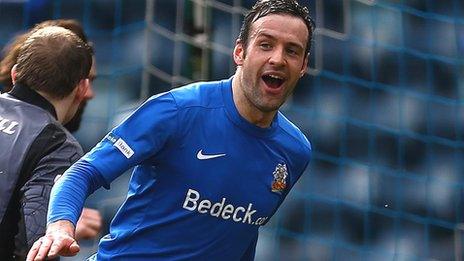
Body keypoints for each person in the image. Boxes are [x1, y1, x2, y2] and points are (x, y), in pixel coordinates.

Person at [28, 0, 314, 260]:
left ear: (303, 66)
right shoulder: (177, 111)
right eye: (266, 45)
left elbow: (240, 238)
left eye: (292, 50)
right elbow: (81, 173)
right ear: (240, 52)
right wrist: (60, 227)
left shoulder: (294, 152)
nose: (278, 58)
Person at [0, 19, 102, 243]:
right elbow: (35, 241)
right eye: (90, 81)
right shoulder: (58, 145)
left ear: (16, 74)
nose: (91, 94)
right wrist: (61, 226)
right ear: (81, 87)